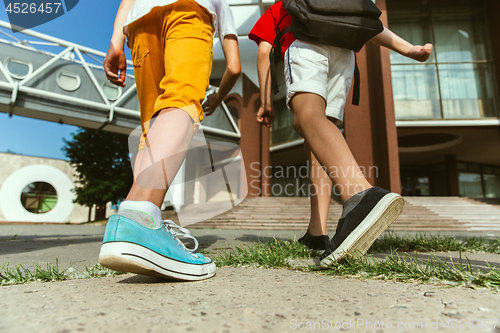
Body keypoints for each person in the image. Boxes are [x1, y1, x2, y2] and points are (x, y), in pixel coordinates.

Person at [248, 1, 432, 264]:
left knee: (306, 117)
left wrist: (266, 101)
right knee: (320, 136)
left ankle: (359, 195)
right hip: (344, 53)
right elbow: (368, 25)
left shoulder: (282, 5)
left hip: (306, 44)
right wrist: (409, 49)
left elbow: (264, 50)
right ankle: (316, 231)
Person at [100, 0, 241, 280]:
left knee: (150, 128)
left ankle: (134, 225)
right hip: (190, 11)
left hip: (138, 23)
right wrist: (219, 96)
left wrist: (116, 41)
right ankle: (139, 218)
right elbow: (234, 66)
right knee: (181, 102)